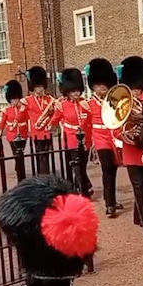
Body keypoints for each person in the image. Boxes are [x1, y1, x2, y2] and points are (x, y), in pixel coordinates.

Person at [117, 56, 143, 237]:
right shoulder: (121, 104)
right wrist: (128, 135)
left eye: (139, 89)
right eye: (133, 89)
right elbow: (115, 129)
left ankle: (137, 214)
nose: (137, 92)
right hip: (132, 150)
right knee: (139, 186)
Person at [46, 68, 93, 197]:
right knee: (76, 166)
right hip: (70, 138)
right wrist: (50, 126)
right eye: (73, 91)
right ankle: (83, 191)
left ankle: (82, 185)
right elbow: (56, 118)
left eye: (78, 90)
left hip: (85, 139)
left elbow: (92, 119)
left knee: (82, 166)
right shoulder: (63, 105)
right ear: (68, 92)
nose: (76, 93)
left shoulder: (85, 104)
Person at [86, 58, 123, 217]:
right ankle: (109, 204)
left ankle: (112, 200)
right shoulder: (88, 104)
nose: (102, 87)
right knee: (107, 169)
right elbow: (86, 125)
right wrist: (89, 143)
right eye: (99, 85)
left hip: (113, 137)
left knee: (113, 170)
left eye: (104, 84)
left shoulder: (113, 100)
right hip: (100, 139)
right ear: (93, 86)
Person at [22, 66, 54, 174]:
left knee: (47, 154)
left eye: (41, 86)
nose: (40, 89)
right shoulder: (27, 100)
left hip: (47, 131)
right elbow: (23, 115)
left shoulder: (49, 99)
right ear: (33, 87)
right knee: (40, 155)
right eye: (38, 87)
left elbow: (55, 115)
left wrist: (51, 111)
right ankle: (42, 174)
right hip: (36, 131)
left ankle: (45, 173)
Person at [0, 80, 29, 154]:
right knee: (15, 154)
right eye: (13, 99)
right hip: (12, 134)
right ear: (10, 100)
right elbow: (3, 121)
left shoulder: (23, 108)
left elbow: (27, 118)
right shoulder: (7, 110)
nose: (15, 101)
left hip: (22, 132)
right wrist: (0, 130)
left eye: (16, 99)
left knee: (21, 154)